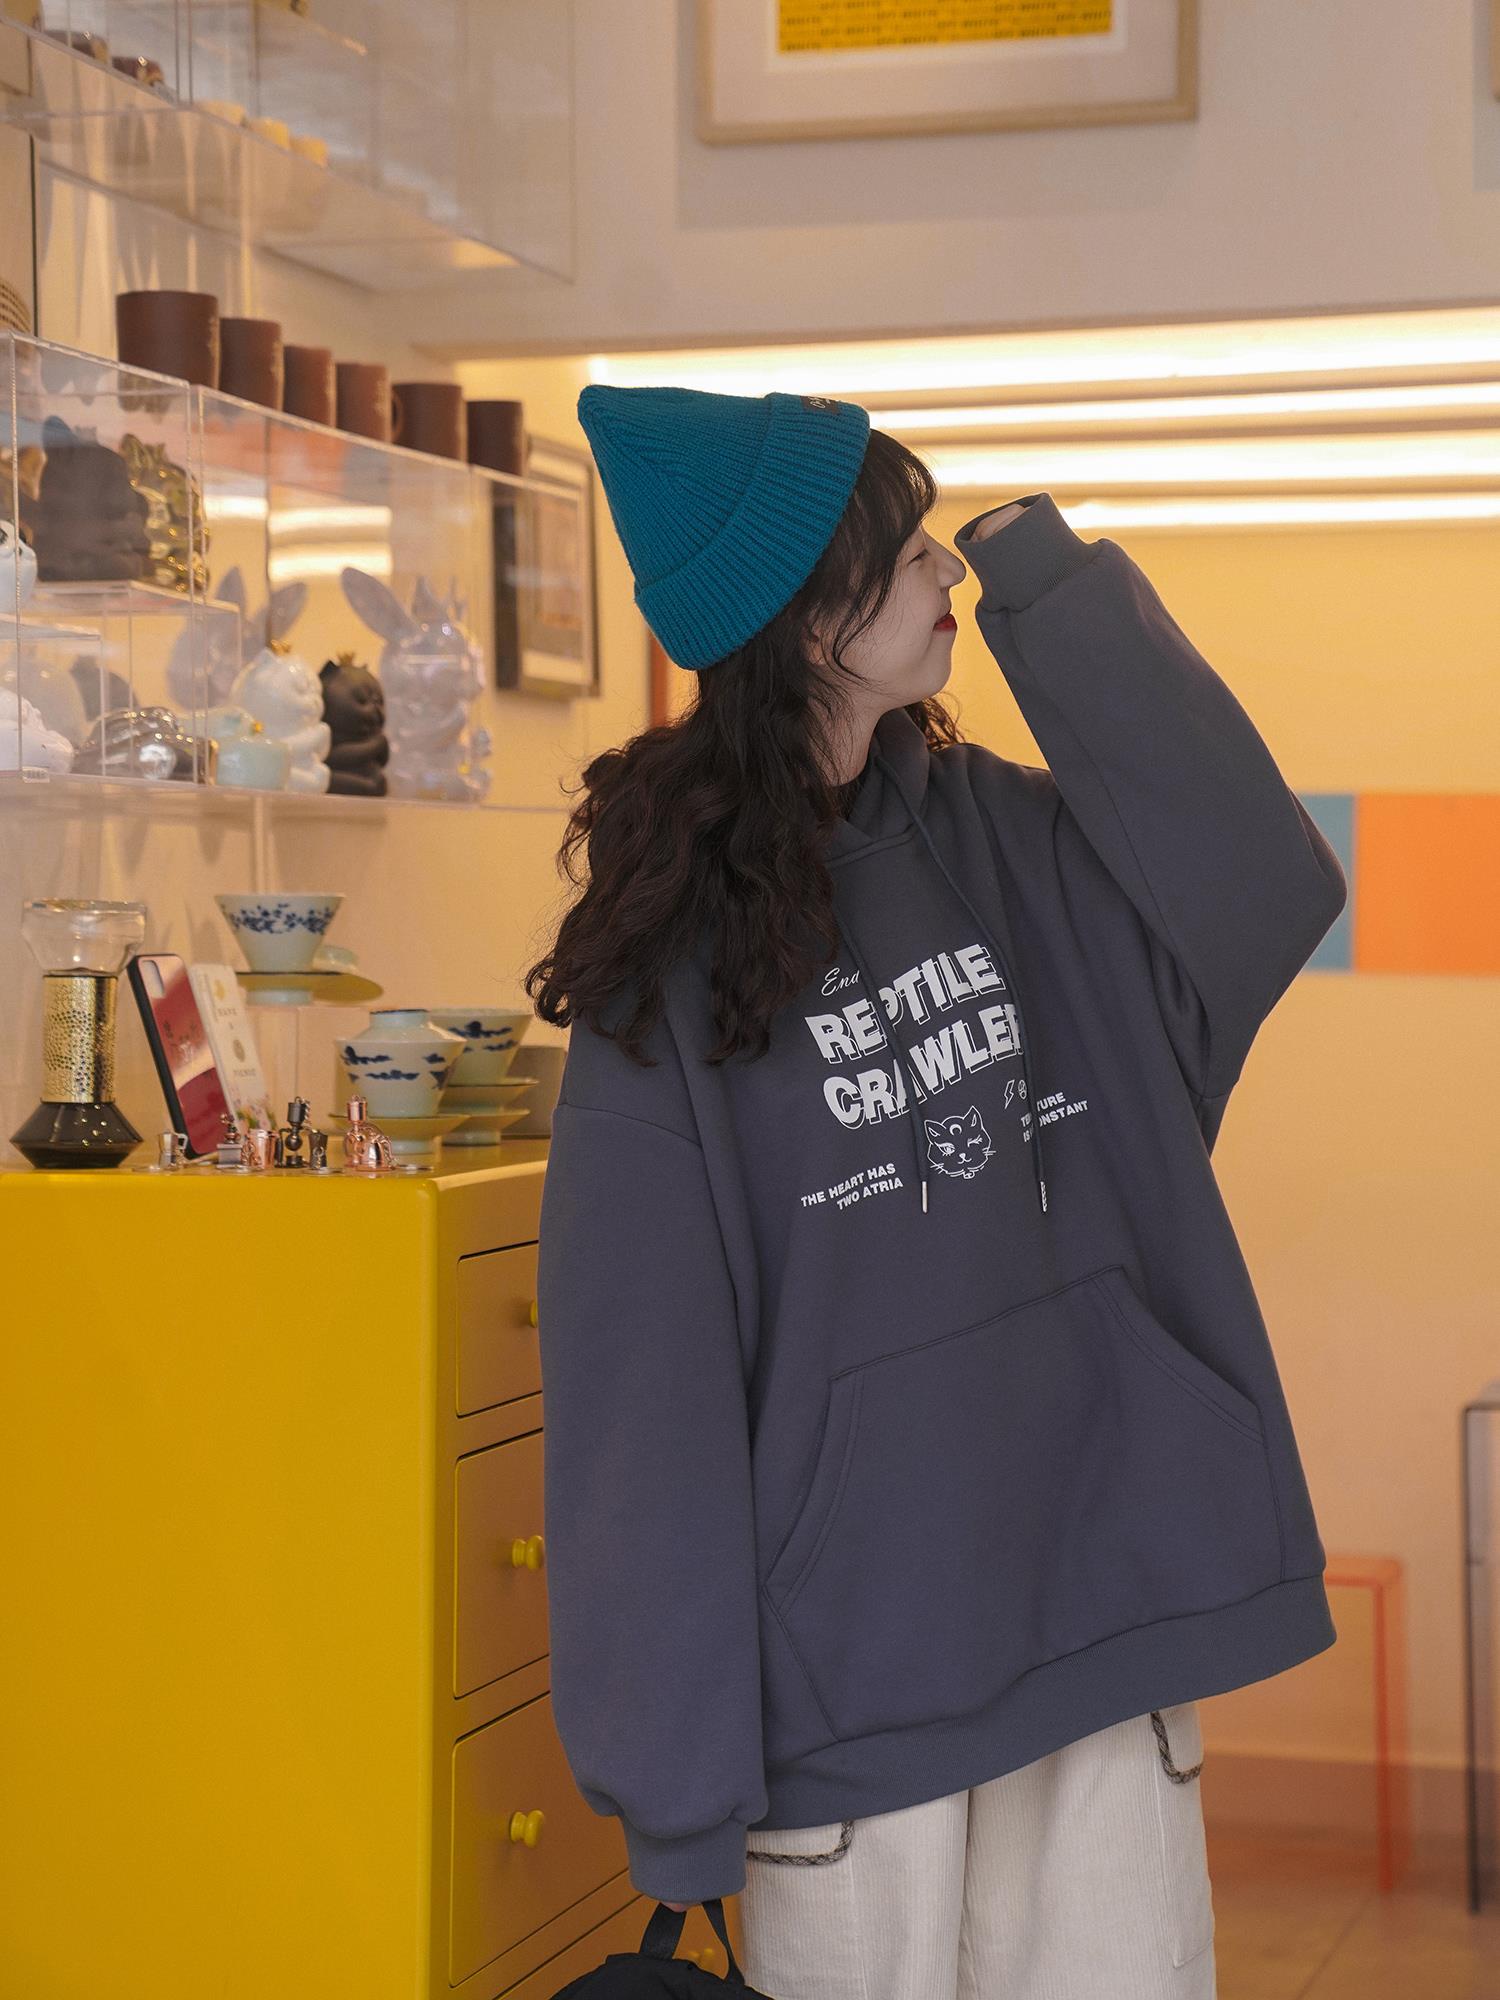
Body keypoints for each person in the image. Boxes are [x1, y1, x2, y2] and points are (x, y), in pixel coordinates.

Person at [526, 384, 1347, 2000]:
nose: (945, 572)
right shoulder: (664, 970)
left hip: (1103, 1615)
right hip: (855, 1709)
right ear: (804, 616)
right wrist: (678, 1795)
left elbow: (1263, 886)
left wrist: (1048, 577)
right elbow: (643, 1407)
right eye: (908, 552)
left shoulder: (1010, 841)